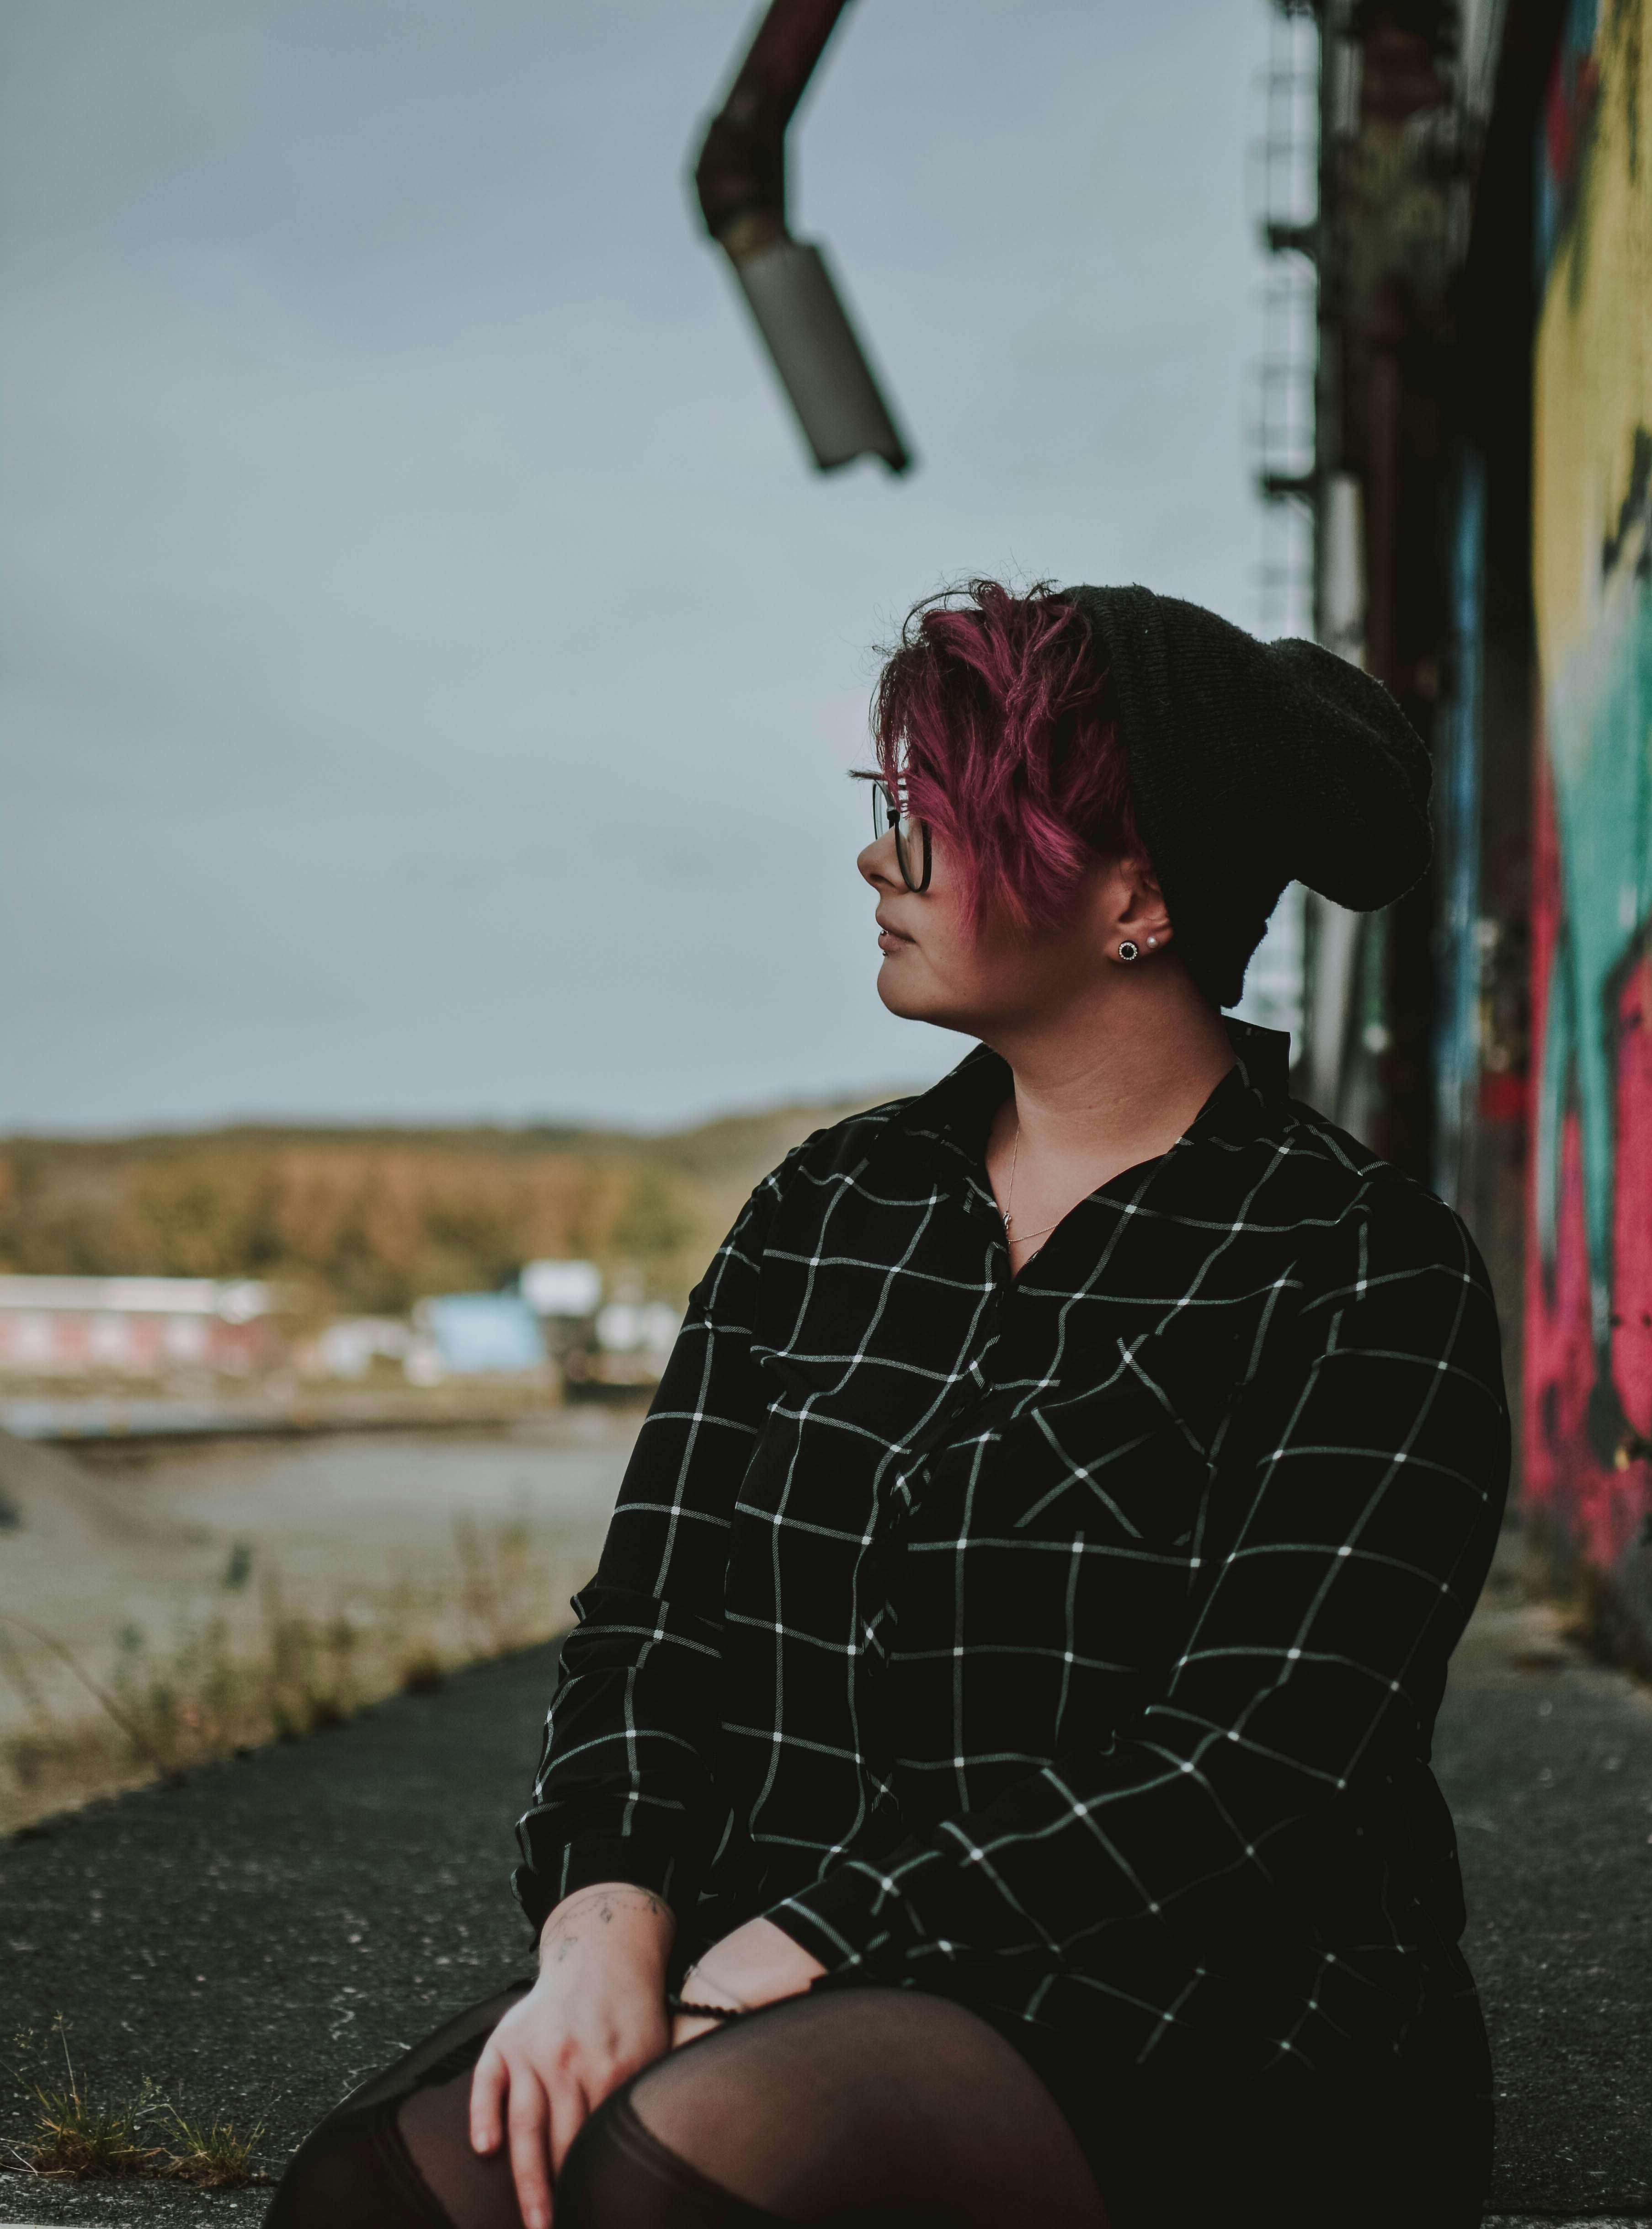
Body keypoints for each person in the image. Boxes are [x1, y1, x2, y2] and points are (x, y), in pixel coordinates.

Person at [266, 581, 1509, 2229]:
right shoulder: (826, 1206)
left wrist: (819, 1939)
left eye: (938, 815)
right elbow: (651, 1621)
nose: (880, 858)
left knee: (665, 2186)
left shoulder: (1361, 1267)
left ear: (1136, 888)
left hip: (1190, 2011)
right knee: (372, 2200)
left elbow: (1252, 1764)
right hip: (774, 1961)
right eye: (889, 808)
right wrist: (606, 1921)